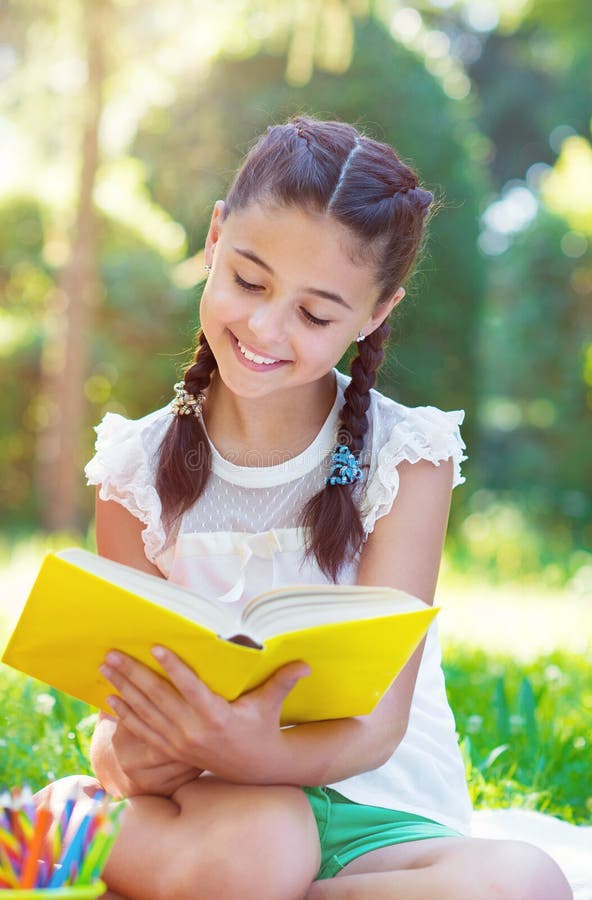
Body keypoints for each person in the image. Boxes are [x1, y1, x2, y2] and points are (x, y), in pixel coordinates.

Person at [66, 117, 570, 899]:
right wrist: (139, 756)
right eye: (249, 281)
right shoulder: (134, 469)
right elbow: (116, 731)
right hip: (219, 815)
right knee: (264, 848)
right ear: (215, 235)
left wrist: (253, 746)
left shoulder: (407, 457)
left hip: (381, 813)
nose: (265, 328)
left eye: (315, 313)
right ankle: (109, 838)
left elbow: (378, 727)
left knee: (524, 880)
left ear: (373, 314)